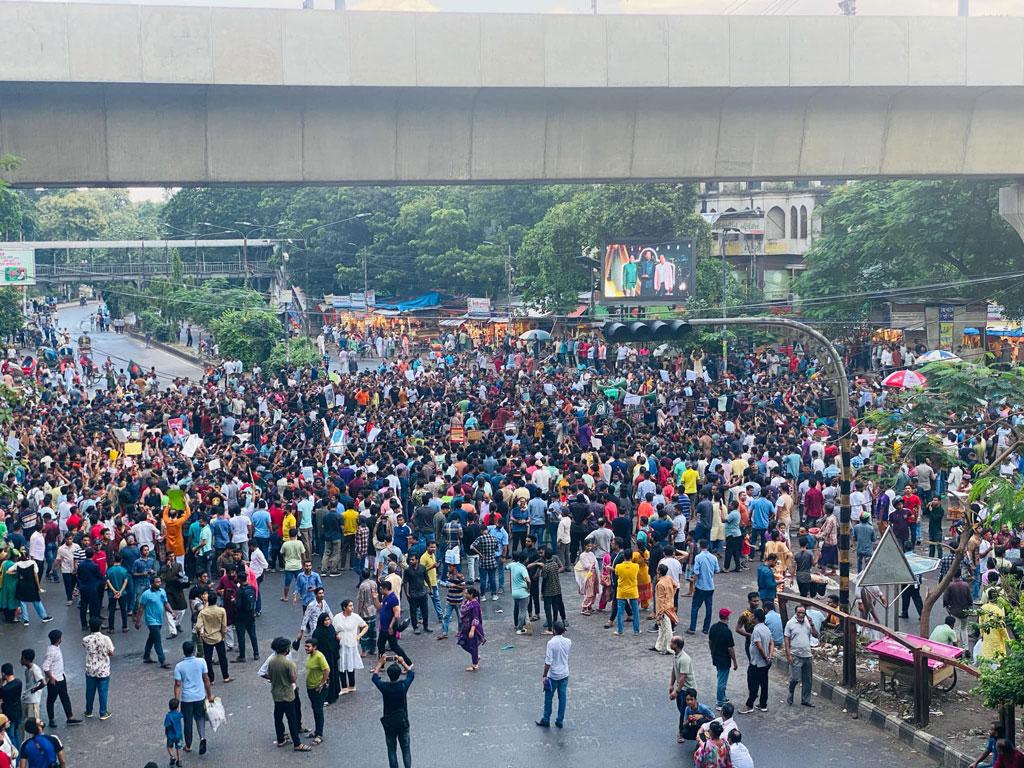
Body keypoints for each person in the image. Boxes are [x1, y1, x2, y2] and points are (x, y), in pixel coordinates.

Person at [266, 636, 311, 752]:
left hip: (276, 693)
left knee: (278, 716)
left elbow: (269, 676)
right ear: (286, 649)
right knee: (292, 718)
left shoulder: (271, 662)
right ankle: (297, 743)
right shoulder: (289, 664)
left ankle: (280, 739)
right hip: (287, 693)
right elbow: (293, 679)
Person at [371, 656, 415, 768]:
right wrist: (402, 662)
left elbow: (374, 678)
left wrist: (380, 663)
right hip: (402, 721)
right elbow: (411, 674)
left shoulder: (385, 687)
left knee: (391, 750)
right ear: (400, 674)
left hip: (389, 722)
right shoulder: (403, 686)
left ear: (389, 675)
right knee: (406, 749)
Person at [172, 641, 214, 756]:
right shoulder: (201, 662)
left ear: (183, 652)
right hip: (200, 696)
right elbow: (206, 679)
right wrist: (209, 695)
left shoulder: (179, 666)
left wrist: (177, 701)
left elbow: (178, 685)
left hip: (187, 698)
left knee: (188, 722)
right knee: (200, 718)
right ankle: (202, 738)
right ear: (194, 650)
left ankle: (189, 745)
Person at [40, 631, 80, 728]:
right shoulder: (51, 652)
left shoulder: (55, 648)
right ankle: (51, 719)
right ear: (58, 640)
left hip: (61, 676)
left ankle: (70, 716)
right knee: (51, 699)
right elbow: (45, 667)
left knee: (65, 697)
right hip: (55, 679)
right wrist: (51, 677)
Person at [536, 619, 570, 729]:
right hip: (564, 673)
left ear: (554, 630)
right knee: (562, 697)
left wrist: (544, 675)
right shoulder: (568, 642)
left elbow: (548, 662)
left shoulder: (551, 643)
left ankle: (546, 719)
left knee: (548, 698)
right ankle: (560, 720)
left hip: (553, 675)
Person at [739, 608, 773, 714]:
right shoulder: (766, 629)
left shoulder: (756, 630)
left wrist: (765, 657)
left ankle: (749, 705)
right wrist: (770, 656)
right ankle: (763, 704)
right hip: (765, 663)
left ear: (756, 618)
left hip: (757, 663)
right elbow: (772, 643)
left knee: (753, 684)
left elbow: (759, 646)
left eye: (753, 616)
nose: (751, 617)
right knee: (764, 683)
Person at [783, 604, 818, 707]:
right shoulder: (790, 623)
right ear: (796, 613)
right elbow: (786, 640)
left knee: (808, 680)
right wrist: (788, 654)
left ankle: (805, 700)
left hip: (807, 654)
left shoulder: (808, 622)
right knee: (795, 678)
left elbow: (816, 635)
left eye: (803, 613)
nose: (801, 615)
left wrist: (812, 625)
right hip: (795, 655)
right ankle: (791, 692)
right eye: (799, 612)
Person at [136, 577, 174, 669]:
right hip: (151, 621)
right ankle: (162, 660)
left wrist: (172, 612)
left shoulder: (162, 592)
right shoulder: (146, 594)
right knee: (157, 640)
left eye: (160, 582)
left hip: (159, 619)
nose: (159, 583)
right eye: (157, 582)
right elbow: (141, 608)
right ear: (152, 583)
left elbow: (165, 603)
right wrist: (138, 621)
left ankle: (146, 656)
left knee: (151, 638)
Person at [81, 617, 114, 720]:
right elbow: (111, 652)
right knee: (103, 691)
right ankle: (103, 712)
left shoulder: (85, 639)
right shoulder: (106, 639)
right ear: (100, 627)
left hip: (90, 669)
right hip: (103, 669)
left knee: (90, 691)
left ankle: (89, 711)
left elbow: (85, 647)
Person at [333, 599, 368, 694]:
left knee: (350, 664)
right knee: (342, 664)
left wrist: (359, 636)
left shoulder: (355, 617)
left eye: (352, 606)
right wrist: (336, 636)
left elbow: (365, 626)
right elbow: (333, 630)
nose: (352, 608)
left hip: (351, 644)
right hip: (341, 645)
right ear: (344, 608)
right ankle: (344, 686)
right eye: (350, 606)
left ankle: (352, 685)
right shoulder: (337, 617)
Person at [376, 580, 411, 666]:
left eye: (381, 589)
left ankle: (409, 663)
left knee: (394, 647)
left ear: (385, 589)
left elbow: (396, 614)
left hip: (389, 628)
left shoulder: (393, 599)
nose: (380, 590)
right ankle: (381, 665)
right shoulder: (385, 597)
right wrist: (375, 598)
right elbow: (379, 607)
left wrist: (391, 626)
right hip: (384, 627)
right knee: (381, 644)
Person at [708, 608, 738, 709]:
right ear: (727, 617)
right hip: (724, 659)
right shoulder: (727, 631)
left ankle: (722, 697)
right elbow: (730, 648)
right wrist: (734, 661)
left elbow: (710, 642)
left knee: (720, 676)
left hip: (716, 656)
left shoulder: (713, 627)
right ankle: (720, 701)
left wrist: (712, 652)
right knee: (722, 680)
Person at [689, 540, 719, 634]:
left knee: (695, 607)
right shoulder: (713, 557)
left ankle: (692, 628)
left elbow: (696, 572)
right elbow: (716, 570)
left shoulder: (698, 557)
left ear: (700, 546)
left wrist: (693, 585)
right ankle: (706, 628)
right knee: (708, 608)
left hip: (700, 586)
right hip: (710, 586)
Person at [303, 637, 329, 744]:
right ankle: (317, 731)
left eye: (308, 647)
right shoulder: (310, 656)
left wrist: (322, 683)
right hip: (310, 687)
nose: (306, 648)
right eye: (305, 646)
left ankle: (319, 734)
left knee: (318, 711)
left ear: (314, 647)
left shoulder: (319, 656)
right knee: (315, 709)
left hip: (318, 688)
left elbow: (327, 670)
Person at [457, 586, 485, 672]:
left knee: (473, 646)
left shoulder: (475, 605)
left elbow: (475, 618)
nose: (464, 595)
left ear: (471, 594)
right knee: (462, 643)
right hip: (465, 628)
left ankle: (475, 664)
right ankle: (475, 656)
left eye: (466, 593)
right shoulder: (467, 602)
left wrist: (472, 630)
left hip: (473, 628)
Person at [613, 547, 640, 635]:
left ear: (623, 556)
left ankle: (620, 630)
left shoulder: (618, 566)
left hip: (621, 591)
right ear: (631, 557)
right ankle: (636, 630)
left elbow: (616, 573)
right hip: (633, 590)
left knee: (620, 612)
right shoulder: (636, 566)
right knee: (635, 612)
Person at [164, 698, 184, 768]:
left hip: (170, 736)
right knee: (178, 748)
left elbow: (167, 725)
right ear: (177, 707)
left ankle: (172, 756)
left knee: (169, 747)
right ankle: (179, 760)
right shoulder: (178, 714)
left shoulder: (168, 716)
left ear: (169, 707)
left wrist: (166, 732)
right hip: (178, 735)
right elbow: (182, 715)